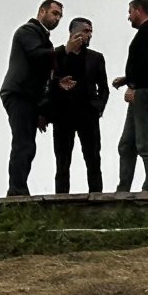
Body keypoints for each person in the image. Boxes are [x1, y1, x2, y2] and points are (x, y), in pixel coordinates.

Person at [0, 0, 62, 196]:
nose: (57, 18)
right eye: (54, 13)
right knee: (23, 143)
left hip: (28, 97)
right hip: (18, 94)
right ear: (41, 11)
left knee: (27, 144)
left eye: (59, 15)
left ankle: (19, 189)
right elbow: (37, 56)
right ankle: (16, 191)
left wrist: (42, 109)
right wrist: (63, 50)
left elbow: (44, 75)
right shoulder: (27, 31)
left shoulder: (43, 38)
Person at [47, 17, 109, 194]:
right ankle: (61, 200)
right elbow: (46, 83)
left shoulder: (96, 58)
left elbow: (104, 87)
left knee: (93, 160)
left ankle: (97, 198)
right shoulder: (57, 54)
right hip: (63, 115)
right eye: (86, 31)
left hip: (88, 115)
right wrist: (57, 85)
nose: (89, 35)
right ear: (73, 32)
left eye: (90, 31)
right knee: (62, 161)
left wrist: (98, 107)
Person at [112, 0, 148, 193]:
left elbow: (146, 66)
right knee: (127, 144)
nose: (128, 17)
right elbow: (145, 64)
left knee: (147, 142)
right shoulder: (147, 33)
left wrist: (133, 86)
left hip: (145, 93)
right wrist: (127, 79)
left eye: (130, 11)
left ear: (138, 10)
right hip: (142, 91)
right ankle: (123, 188)